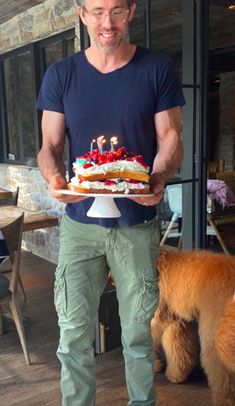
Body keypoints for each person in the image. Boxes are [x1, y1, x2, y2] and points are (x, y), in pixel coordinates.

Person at [36, 0, 185, 404]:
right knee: (73, 335)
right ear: (82, 13)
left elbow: (170, 138)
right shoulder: (62, 75)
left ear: (132, 12)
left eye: (117, 11)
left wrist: (157, 177)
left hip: (136, 224)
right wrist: (54, 178)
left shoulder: (156, 69)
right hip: (80, 226)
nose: (107, 22)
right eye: (98, 11)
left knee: (137, 334)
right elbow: (49, 146)